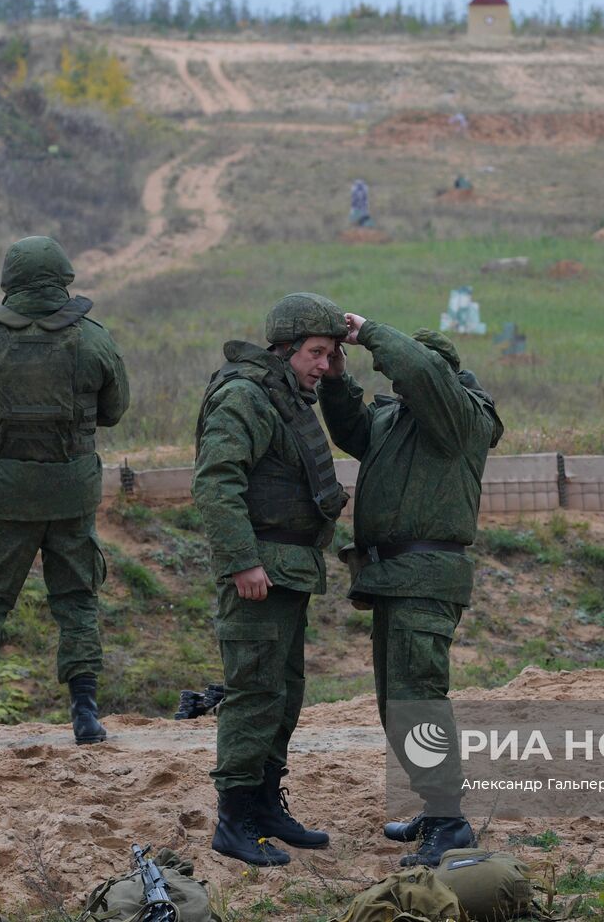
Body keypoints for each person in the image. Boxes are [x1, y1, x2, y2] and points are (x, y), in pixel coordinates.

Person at [0, 236, 129, 746]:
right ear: (63, 279)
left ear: (10, 282)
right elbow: (114, 409)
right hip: (72, 491)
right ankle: (85, 716)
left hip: (9, 492)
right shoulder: (94, 338)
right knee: (77, 599)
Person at [320, 315, 504, 867]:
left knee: (417, 698)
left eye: (407, 378)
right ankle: (437, 807)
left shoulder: (460, 416)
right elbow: (352, 428)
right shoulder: (399, 418)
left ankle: (449, 822)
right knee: (396, 703)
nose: (400, 387)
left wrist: (369, 332)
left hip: (424, 579)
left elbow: (422, 371)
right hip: (394, 580)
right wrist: (334, 377)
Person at [191, 292, 349, 867]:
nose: (323, 366)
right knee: (254, 692)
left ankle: (264, 806)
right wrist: (242, 561)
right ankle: (233, 821)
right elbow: (216, 482)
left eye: (331, 355)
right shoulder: (245, 398)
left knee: (283, 694)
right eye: (315, 352)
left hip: (289, 572)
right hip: (260, 573)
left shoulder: (285, 396)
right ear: (283, 349)